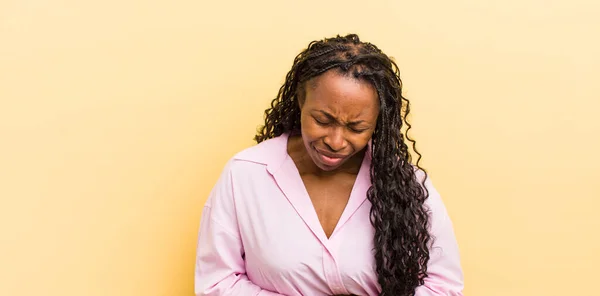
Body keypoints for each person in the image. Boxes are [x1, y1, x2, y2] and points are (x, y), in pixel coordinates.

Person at [194, 34, 463, 296]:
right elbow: (216, 283)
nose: (335, 141)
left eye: (356, 127)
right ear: (301, 101)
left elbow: (444, 287)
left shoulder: (407, 185)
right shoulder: (245, 174)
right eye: (322, 120)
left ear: (377, 124)